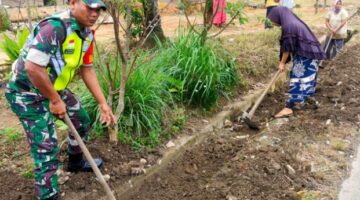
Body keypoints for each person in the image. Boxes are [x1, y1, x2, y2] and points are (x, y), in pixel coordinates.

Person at [4, 0, 116, 199]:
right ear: (73, 3)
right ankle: (48, 195)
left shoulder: (87, 33)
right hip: (26, 93)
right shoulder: (54, 28)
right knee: (46, 148)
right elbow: (33, 68)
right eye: (89, 7)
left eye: (98, 9)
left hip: (52, 88)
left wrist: (102, 103)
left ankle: (75, 162)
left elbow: (86, 68)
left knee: (81, 121)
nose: (94, 13)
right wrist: (55, 101)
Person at [267, 6, 326, 118]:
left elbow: (287, 48)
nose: (272, 22)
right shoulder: (292, 22)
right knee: (307, 77)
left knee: (297, 78)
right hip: (311, 53)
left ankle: (289, 107)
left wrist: (282, 63)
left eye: (272, 19)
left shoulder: (289, 26)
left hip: (306, 54)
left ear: (278, 16)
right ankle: (308, 99)